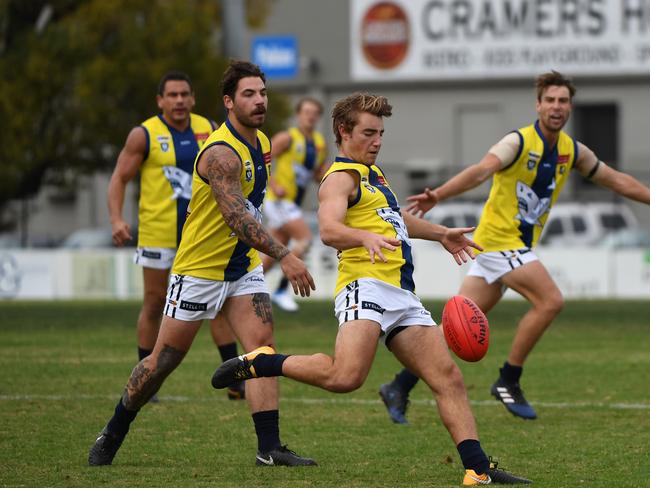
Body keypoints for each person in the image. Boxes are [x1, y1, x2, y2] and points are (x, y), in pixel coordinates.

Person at [212, 93, 531, 485]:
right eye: (369, 132)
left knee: (447, 378)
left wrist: (441, 233)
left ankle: (478, 470)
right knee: (345, 378)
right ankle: (261, 362)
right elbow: (329, 229)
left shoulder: (373, 176)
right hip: (365, 287)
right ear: (344, 132)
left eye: (381, 132)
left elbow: (396, 221)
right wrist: (363, 238)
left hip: (402, 295)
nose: (378, 140)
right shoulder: (339, 178)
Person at [379, 70, 650, 423]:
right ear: (538, 105)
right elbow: (481, 170)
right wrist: (439, 195)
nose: (556, 106)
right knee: (550, 301)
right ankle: (509, 379)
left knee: (456, 328)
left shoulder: (572, 150)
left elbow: (615, 179)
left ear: (570, 107)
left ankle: (398, 386)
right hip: (498, 242)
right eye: (550, 100)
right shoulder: (518, 143)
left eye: (563, 101)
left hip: (506, 248)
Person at [89, 60, 317, 467]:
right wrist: (285, 255)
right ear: (229, 102)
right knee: (162, 363)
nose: (259, 100)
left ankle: (270, 447)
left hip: (242, 267)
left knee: (262, 348)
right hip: (199, 271)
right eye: (249, 94)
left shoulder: (263, 142)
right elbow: (236, 217)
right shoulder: (220, 152)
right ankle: (114, 430)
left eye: (262, 93)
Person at [107, 71, 245, 402]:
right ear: (160, 101)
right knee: (155, 302)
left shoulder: (210, 129)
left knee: (220, 302)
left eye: (185, 94)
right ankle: (146, 380)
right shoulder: (144, 135)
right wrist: (116, 219)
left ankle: (233, 380)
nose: (179, 100)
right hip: (159, 232)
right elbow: (119, 177)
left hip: (201, 235)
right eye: (172, 95)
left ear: (193, 98)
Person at [262, 97, 329, 312]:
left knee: (274, 252)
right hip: (279, 200)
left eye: (314, 113)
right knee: (305, 239)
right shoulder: (287, 138)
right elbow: (261, 160)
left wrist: (329, 176)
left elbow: (317, 174)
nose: (310, 116)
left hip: (293, 204)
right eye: (306, 112)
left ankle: (243, 290)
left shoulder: (319, 144)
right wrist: (273, 183)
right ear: (298, 115)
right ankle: (281, 290)